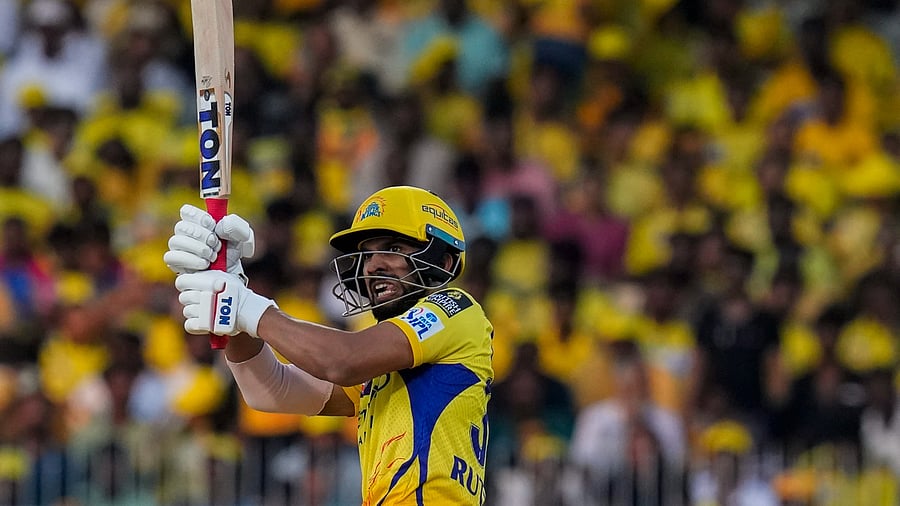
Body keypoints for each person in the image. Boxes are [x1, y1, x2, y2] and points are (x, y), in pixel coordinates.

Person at [164, 185, 494, 505]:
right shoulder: (384, 365)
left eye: (393, 248)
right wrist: (236, 298)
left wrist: (246, 305)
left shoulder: (457, 308)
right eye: (367, 254)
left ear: (443, 262)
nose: (373, 265)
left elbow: (342, 361)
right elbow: (268, 391)